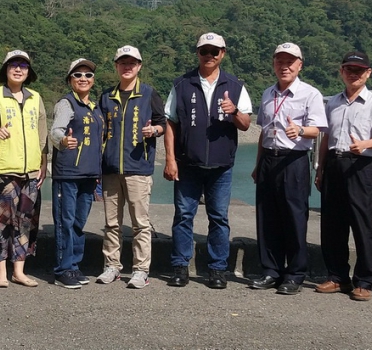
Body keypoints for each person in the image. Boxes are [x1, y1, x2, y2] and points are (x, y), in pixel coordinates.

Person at [163, 32, 252, 289]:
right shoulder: (182, 84)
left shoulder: (235, 85)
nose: (209, 56)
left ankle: (217, 269)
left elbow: (246, 124)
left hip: (221, 167)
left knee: (219, 218)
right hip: (188, 164)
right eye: (205, 51)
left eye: (215, 51)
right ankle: (180, 267)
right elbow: (171, 123)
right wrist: (170, 159)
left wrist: (233, 111)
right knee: (183, 216)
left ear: (223, 53)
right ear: (198, 53)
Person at [314, 51, 372, 301]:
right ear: (341, 72)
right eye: (349, 69)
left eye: (359, 70)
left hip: (361, 166)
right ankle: (337, 277)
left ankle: (365, 280)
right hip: (335, 165)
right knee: (332, 224)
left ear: (368, 73)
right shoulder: (333, 102)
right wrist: (320, 168)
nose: (353, 74)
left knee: (362, 225)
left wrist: (364, 144)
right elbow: (326, 137)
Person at [250, 42, 327, 295]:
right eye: (280, 61)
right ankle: (271, 271)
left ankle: (295, 274)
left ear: (299, 65)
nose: (285, 66)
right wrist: (257, 163)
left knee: (294, 218)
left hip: (294, 160)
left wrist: (301, 130)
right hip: (269, 160)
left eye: (290, 62)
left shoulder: (310, 94)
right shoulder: (267, 94)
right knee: (267, 217)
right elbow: (263, 131)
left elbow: (319, 130)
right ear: (274, 64)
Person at [97, 45, 167, 289]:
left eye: (132, 63)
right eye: (122, 63)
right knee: (112, 222)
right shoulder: (106, 96)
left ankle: (140, 270)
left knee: (140, 223)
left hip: (139, 167)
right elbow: (99, 132)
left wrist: (154, 130)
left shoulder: (149, 94)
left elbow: (162, 124)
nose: (127, 67)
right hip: (110, 169)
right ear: (116, 66)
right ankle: (112, 266)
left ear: (139, 66)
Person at [0, 50, 48, 288]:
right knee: (2, 222)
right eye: (13, 65)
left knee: (26, 222)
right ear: (5, 70)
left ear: (28, 72)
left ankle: (19, 270)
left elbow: (42, 136)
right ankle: (0, 270)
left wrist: (43, 164)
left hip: (31, 172)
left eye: (23, 66)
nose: (18, 69)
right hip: (5, 170)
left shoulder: (35, 98)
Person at [50, 58, 104, 289]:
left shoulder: (95, 107)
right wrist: (64, 140)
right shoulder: (66, 104)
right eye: (78, 75)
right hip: (68, 173)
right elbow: (55, 132)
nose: (83, 79)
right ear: (70, 80)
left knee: (79, 223)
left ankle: (74, 266)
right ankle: (63, 270)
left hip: (89, 175)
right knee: (65, 221)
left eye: (88, 75)